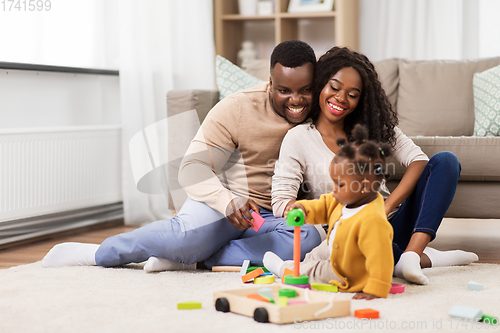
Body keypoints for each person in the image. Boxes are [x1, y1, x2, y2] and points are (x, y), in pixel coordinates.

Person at [42, 40, 325, 271]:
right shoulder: (239, 108)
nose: (296, 101)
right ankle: (98, 253)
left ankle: (192, 258)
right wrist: (227, 201)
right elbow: (192, 167)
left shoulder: (326, 110)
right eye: (284, 90)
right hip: (226, 204)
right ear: (270, 82)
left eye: (305, 90)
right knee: (186, 237)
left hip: (273, 218)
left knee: (308, 238)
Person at [271, 46, 478, 285]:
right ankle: (422, 259)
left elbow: (418, 160)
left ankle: (412, 254)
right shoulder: (299, 138)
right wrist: (306, 212)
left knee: (446, 161)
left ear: (361, 99)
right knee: (362, 259)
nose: (340, 98)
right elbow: (280, 203)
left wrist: (387, 206)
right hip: (348, 233)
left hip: (391, 221)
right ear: (320, 84)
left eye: (353, 94)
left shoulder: (372, 126)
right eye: (335, 87)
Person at [265, 124, 394, 299]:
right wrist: (304, 208)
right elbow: (323, 206)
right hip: (338, 247)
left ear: (364, 186)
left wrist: (375, 289)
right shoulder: (343, 199)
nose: (333, 189)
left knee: (314, 270)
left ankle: (285, 269)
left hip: (346, 272)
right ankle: (301, 263)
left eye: (339, 184)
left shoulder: (373, 220)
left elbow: (381, 259)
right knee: (314, 254)